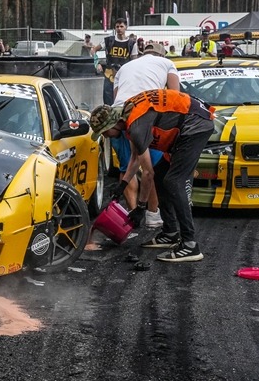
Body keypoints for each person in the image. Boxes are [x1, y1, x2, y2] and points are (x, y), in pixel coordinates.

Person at [90, 88, 215, 262]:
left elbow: (147, 173)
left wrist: (141, 207)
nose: (105, 136)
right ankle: (170, 232)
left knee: (174, 182)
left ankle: (190, 244)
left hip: (196, 125)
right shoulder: (129, 114)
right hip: (190, 123)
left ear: (113, 124)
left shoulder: (136, 127)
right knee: (162, 174)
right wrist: (123, 185)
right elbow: (135, 158)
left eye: (104, 132)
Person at [111, 41, 181, 228]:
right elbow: (175, 96)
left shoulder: (124, 67)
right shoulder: (167, 64)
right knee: (153, 168)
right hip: (147, 116)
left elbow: (118, 99)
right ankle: (151, 215)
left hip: (121, 118)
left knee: (128, 165)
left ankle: (132, 215)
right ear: (162, 55)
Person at [90, 18, 138, 105]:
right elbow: (93, 50)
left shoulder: (132, 44)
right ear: (115, 28)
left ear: (126, 27)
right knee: (108, 100)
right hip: (110, 75)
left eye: (121, 26)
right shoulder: (108, 41)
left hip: (125, 75)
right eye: (117, 26)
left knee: (124, 100)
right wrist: (97, 63)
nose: (119, 28)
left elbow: (134, 61)